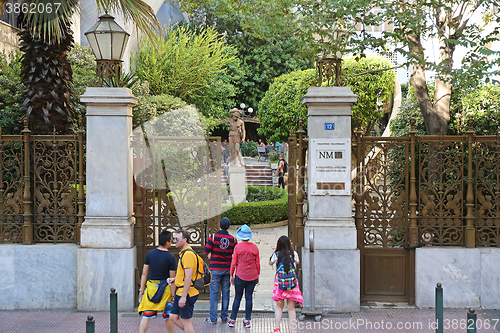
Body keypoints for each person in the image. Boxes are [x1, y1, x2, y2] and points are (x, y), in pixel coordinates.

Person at [137, 230, 177, 333]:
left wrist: (141, 290)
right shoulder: (171, 257)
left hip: (151, 288)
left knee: (146, 315)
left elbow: (144, 273)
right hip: (165, 289)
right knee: (168, 315)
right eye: (171, 241)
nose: (172, 243)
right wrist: (173, 295)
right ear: (167, 242)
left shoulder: (150, 254)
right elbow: (173, 278)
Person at [204, 217, 238, 324]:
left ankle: (213, 318)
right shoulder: (233, 239)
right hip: (227, 269)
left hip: (214, 269)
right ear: (229, 227)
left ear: (219, 225)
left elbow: (206, 251)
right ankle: (224, 316)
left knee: (214, 294)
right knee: (226, 292)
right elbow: (236, 254)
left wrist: (211, 254)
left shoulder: (213, 237)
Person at [228, 224, 260, 329]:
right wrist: (258, 275)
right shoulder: (254, 248)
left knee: (237, 297)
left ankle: (232, 319)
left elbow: (233, 263)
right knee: (249, 297)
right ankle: (247, 320)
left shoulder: (237, 247)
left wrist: (231, 274)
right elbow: (257, 263)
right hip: (252, 276)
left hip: (240, 275)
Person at [168, 230, 201, 333]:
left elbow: (188, 277)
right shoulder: (184, 253)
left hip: (186, 293)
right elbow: (184, 274)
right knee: (173, 317)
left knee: (186, 321)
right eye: (174, 239)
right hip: (181, 291)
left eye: (177, 239)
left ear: (185, 240)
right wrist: (175, 279)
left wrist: (183, 296)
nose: (174, 241)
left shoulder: (188, 254)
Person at [269, 235, 303, 333]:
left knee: (279, 306)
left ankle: (276, 328)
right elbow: (297, 262)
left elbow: (270, 263)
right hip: (292, 284)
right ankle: (293, 330)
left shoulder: (277, 254)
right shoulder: (294, 253)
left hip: (280, 283)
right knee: (291, 308)